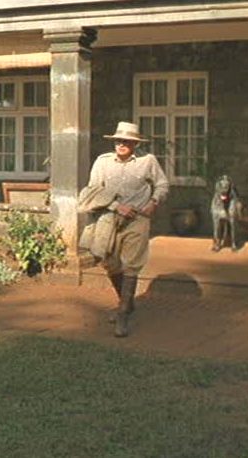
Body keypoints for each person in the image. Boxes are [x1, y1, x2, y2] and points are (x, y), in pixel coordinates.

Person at [87, 121, 169, 338]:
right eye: (118, 141)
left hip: (137, 218)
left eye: (126, 142)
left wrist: (153, 202)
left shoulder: (147, 161)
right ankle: (128, 302)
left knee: (132, 264)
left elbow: (162, 184)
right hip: (109, 218)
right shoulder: (102, 162)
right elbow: (93, 191)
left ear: (135, 144)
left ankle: (123, 314)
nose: (121, 145)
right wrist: (116, 206)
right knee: (110, 263)